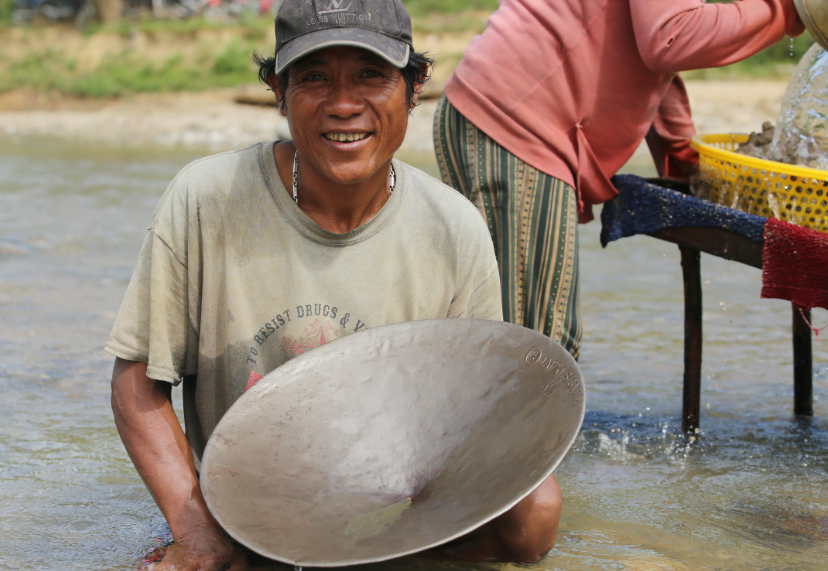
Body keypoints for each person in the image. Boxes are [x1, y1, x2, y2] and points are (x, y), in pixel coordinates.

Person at [106, 1, 562, 569]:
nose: (344, 105)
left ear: (414, 87)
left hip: (386, 497)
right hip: (250, 506)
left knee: (535, 514)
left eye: (372, 75)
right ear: (278, 90)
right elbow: (136, 382)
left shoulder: (454, 227)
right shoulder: (207, 200)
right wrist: (195, 526)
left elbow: (476, 415)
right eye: (314, 77)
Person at [434, 0, 806, 358]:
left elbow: (649, 49)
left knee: (489, 326)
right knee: (538, 345)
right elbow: (671, 38)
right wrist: (788, 8)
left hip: (489, 113)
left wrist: (683, 155)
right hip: (516, 123)